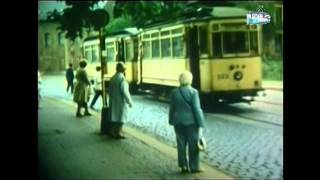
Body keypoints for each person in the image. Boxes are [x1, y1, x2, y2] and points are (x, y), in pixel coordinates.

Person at [169, 70, 206, 173]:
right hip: (191, 123)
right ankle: (194, 167)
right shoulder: (193, 92)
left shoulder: (174, 92)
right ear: (190, 80)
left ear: (180, 80)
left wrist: (171, 120)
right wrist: (201, 123)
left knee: (181, 144)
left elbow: (172, 108)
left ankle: (183, 166)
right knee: (193, 144)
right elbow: (196, 109)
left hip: (178, 122)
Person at [108, 62, 133, 139]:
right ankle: (119, 132)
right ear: (124, 70)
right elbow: (125, 92)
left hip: (113, 100)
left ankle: (112, 131)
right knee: (122, 117)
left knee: (115, 116)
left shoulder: (112, 78)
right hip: (121, 101)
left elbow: (110, 90)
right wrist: (130, 102)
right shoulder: (122, 79)